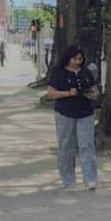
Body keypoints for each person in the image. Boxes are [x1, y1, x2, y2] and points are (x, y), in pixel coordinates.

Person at [44, 45, 99, 190]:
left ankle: (90, 179)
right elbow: (50, 93)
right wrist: (68, 93)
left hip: (85, 112)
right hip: (65, 112)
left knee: (86, 145)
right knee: (66, 145)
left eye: (80, 59)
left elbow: (95, 91)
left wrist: (92, 94)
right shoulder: (59, 73)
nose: (78, 62)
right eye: (75, 59)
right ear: (68, 58)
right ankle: (68, 179)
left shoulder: (86, 72)